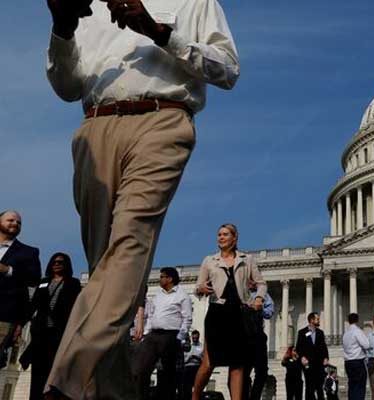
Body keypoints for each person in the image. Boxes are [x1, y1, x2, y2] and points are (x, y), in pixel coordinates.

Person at [42, 0, 240, 395]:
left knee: (130, 244)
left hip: (162, 119)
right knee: (106, 269)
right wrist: (62, 28)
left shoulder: (194, 1)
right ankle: (114, 390)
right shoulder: (90, 5)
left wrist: (159, 32)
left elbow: (227, 68)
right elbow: (67, 86)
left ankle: (69, 376)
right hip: (95, 126)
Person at [192, 224, 266, 400]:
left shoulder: (247, 259)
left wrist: (258, 299)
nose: (221, 237)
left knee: (237, 363)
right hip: (217, 312)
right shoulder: (209, 260)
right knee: (208, 362)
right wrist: (202, 287)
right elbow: (197, 287)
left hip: (239, 313)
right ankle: (195, 396)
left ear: (234, 238)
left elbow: (261, 283)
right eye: (219, 234)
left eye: (225, 234)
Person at [25, 253, 81, 400]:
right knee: (37, 371)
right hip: (40, 333)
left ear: (66, 265)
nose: (57, 264)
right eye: (54, 262)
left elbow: (76, 308)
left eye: (60, 262)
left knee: (53, 371)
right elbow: (33, 305)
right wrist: (21, 324)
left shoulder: (73, 283)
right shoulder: (43, 282)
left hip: (59, 333)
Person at [134, 267, 193, 400]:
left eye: (162, 277)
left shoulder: (182, 296)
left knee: (167, 374)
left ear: (170, 279)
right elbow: (152, 315)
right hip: (153, 335)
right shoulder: (158, 295)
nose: (159, 279)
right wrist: (147, 332)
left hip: (170, 336)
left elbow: (187, 318)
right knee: (140, 369)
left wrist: (179, 338)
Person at [0, 210, 41, 369]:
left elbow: (34, 279)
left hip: (3, 316)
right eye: (10, 220)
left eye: (18, 222)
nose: (15, 224)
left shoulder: (28, 252)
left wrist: (8, 270)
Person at [243, 279, 275, 400]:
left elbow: (269, 312)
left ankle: (255, 397)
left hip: (257, 334)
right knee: (243, 371)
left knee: (262, 371)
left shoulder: (263, 295)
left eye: (253, 279)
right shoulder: (240, 292)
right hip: (243, 336)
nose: (251, 282)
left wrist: (259, 308)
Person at [296, 312, 329, 400]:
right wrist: (302, 357)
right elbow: (298, 347)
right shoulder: (302, 332)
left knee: (319, 387)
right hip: (308, 364)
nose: (319, 321)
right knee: (309, 386)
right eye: (317, 319)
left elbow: (324, 347)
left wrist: (326, 358)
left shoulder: (320, 333)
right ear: (311, 320)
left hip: (319, 364)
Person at [342, 313, 371, 400]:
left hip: (348, 362)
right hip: (357, 362)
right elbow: (366, 345)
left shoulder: (346, 333)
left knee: (352, 386)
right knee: (360, 387)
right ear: (357, 320)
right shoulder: (357, 331)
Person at [182, 330, 204, 399]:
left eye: (196, 338)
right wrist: (189, 358)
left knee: (197, 386)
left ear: (198, 337)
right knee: (186, 388)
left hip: (197, 367)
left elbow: (204, 360)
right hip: (187, 368)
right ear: (191, 337)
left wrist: (197, 358)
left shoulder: (202, 347)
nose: (194, 339)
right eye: (193, 338)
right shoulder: (188, 347)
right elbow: (184, 360)